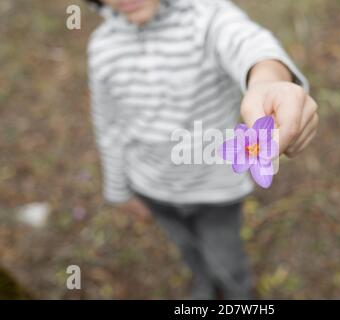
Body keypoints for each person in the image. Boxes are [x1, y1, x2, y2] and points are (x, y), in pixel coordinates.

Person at [85, 0, 318, 299]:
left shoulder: (207, 19)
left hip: (215, 195)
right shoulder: (102, 48)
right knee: (187, 247)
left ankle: (237, 293)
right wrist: (118, 189)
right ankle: (203, 284)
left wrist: (268, 81)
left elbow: (248, 44)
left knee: (226, 258)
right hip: (153, 189)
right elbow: (109, 125)